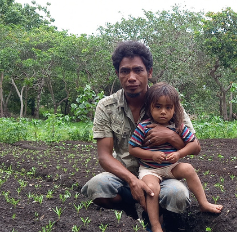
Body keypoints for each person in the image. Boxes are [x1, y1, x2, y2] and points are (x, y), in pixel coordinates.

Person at [81, 41, 197, 221]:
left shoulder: (168, 104)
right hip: (123, 175)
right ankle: (130, 213)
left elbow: (194, 145)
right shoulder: (106, 106)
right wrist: (132, 180)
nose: (131, 77)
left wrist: (170, 136)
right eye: (124, 71)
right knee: (96, 187)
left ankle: (163, 221)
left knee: (178, 195)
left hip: (162, 174)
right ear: (117, 74)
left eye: (138, 70)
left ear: (149, 72)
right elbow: (104, 156)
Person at [129, 83, 223, 232]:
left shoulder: (178, 126)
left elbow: (193, 144)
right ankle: (156, 225)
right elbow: (133, 149)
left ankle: (203, 203)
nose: (163, 112)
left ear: (175, 109)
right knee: (152, 189)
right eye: (158, 107)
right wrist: (151, 155)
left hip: (171, 167)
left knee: (188, 169)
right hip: (149, 169)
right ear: (149, 107)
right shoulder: (143, 127)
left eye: (168, 107)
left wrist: (179, 154)